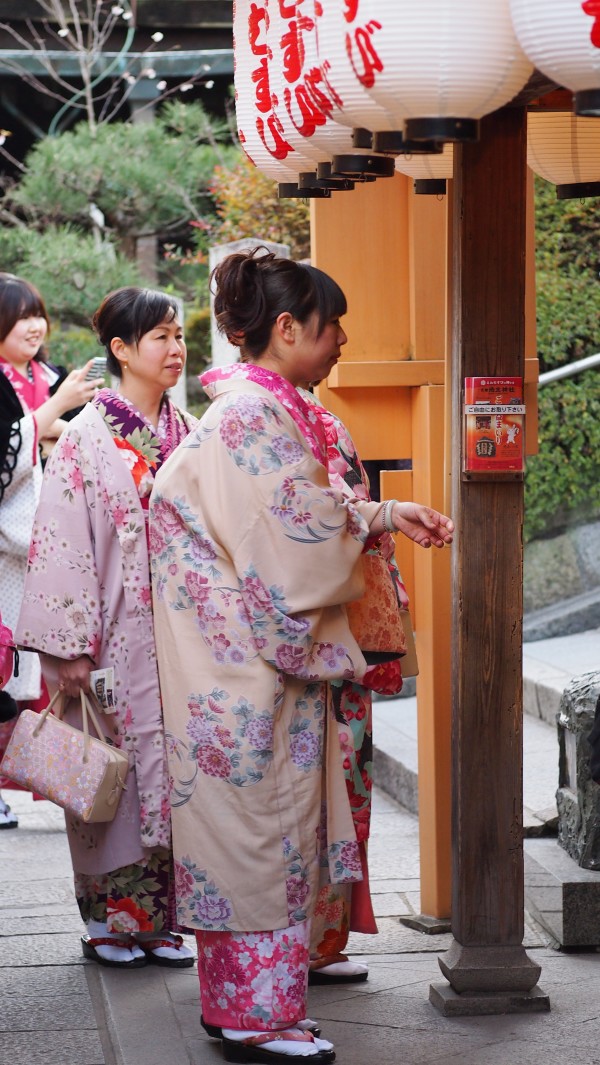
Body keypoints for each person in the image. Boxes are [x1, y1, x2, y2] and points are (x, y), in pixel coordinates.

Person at [149, 246, 453, 1064]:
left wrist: (378, 513)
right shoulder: (252, 417)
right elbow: (289, 542)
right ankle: (255, 1016)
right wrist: (369, 520)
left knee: (251, 834)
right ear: (286, 329)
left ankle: (243, 1007)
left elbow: (296, 516)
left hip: (230, 659)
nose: (342, 339)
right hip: (246, 668)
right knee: (263, 834)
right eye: (331, 325)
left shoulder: (250, 411)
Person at [15, 286, 197, 968]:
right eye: (161, 337)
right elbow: (61, 543)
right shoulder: (87, 437)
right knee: (110, 774)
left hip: (182, 638)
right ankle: (107, 922)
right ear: (121, 349)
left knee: (175, 770)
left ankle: (160, 920)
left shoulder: (189, 429)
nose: (176, 349)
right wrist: (68, 647)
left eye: (179, 335)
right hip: (112, 635)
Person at [299, 385, 407, 986]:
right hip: (303, 631)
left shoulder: (324, 422)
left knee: (345, 785)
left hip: (341, 631)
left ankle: (323, 939)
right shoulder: (270, 424)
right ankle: (300, 942)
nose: (336, 343)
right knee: (310, 791)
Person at [0, 272, 99, 829]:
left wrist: (54, 418)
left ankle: (53, 780)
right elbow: (8, 452)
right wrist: (53, 414)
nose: (34, 326)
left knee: (46, 665)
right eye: (21, 317)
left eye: (37, 314)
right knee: (5, 667)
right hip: (6, 545)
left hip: (49, 541)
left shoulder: (50, 375)